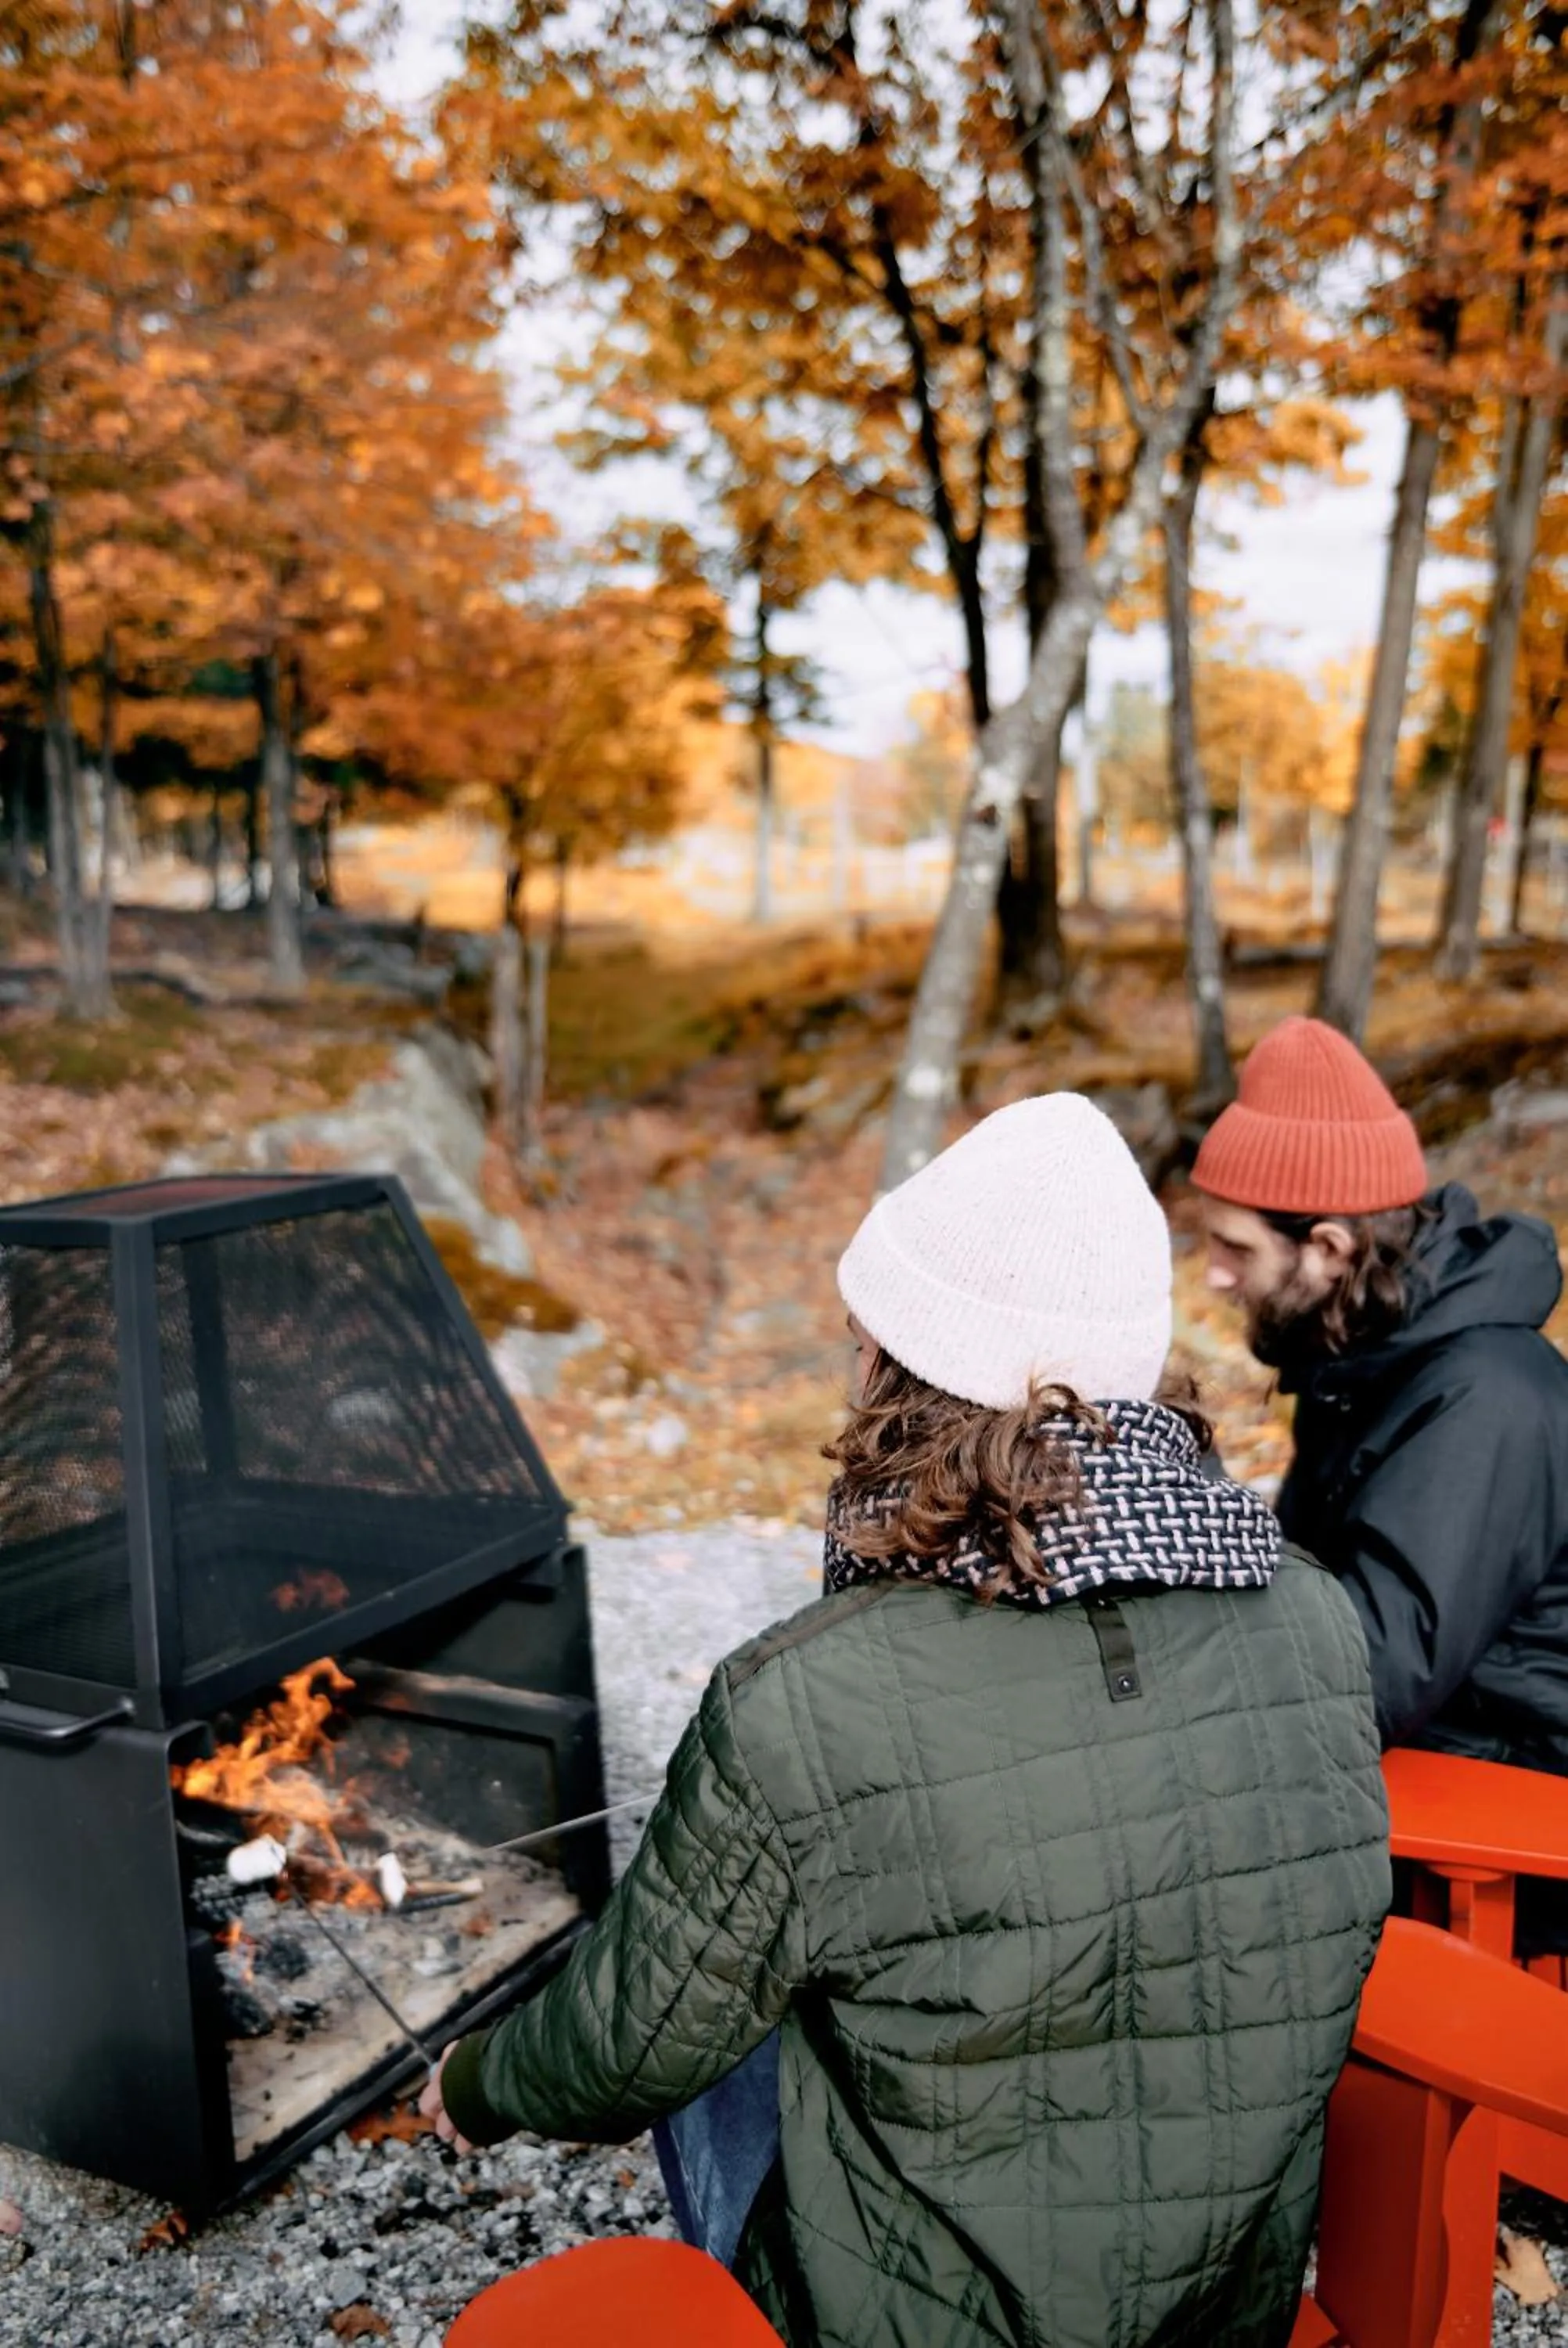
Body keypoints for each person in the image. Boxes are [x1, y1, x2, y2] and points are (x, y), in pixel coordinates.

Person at [425, 1094, 1389, 2348]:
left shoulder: (803, 1702)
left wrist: (479, 2079)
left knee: (723, 2006)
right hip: (1224, 2313)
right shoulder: (1313, 1612)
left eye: (859, 1334)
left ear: (896, 1371)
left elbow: (621, 2050)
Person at [1194, 1014, 1568, 1777]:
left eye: (1236, 1247)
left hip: (1504, 1819)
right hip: (1428, 1761)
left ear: (1331, 1249)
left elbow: (1369, 1681)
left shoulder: (1480, 1400)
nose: (1214, 1277)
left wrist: (1199, 1503)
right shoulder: (1359, 1358)